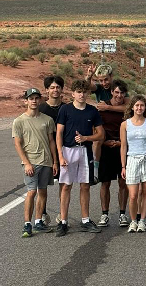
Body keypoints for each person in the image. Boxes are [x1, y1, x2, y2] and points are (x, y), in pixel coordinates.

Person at [55, 80, 105, 237]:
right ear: (73, 94)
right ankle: (63, 222)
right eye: (78, 91)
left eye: (84, 91)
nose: (82, 94)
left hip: (85, 151)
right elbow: (59, 134)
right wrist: (60, 156)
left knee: (85, 186)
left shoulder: (92, 111)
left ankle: (85, 220)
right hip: (68, 150)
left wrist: (86, 138)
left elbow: (101, 134)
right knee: (66, 186)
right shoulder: (65, 109)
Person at [13, 88, 58, 237]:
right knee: (31, 192)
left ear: (40, 100)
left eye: (36, 98)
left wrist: (55, 162)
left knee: (43, 191)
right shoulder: (19, 121)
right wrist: (26, 163)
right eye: (30, 98)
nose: (33, 101)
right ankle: (27, 224)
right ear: (26, 101)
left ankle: (38, 221)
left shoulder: (47, 120)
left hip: (46, 161)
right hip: (30, 162)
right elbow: (18, 144)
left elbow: (52, 141)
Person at [120, 95, 146, 233]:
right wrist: (123, 166)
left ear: (145, 108)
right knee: (133, 194)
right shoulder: (125, 124)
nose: (139, 108)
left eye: (142, 106)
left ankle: (142, 221)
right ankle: (133, 221)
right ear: (132, 107)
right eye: (137, 105)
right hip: (132, 159)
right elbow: (123, 146)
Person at [85, 63, 126, 183]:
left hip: (118, 129)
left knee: (122, 182)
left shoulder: (119, 89)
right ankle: (94, 170)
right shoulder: (99, 88)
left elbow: (128, 106)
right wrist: (89, 76)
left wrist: (107, 107)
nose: (104, 83)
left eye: (106, 79)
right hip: (103, 124)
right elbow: (87, 87)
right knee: (97, 140)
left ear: (111, 76)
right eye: (101, 80)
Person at [97, 80, 129, 228]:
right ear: (112, 92)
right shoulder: (102, 108)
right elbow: (96, 130)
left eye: (122, 93)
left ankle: (122, 214)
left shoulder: (128, 109)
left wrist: (121, 143)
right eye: (116, 92)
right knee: (105, 183)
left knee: (123, 183)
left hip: (123, 148)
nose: (119, 95)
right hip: (106, 148)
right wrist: (103, 143)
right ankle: (105, 214)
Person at [38, 75, 65, 226]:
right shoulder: (40, 109)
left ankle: (62, 214)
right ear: (47, 90)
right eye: (52, 87)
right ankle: (42, 214)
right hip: (44, 153)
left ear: (62, 89)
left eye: (58, 87)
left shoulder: (67, 108)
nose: (55, 90)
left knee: (63, 183)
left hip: (62, 152)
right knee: (42, 186)